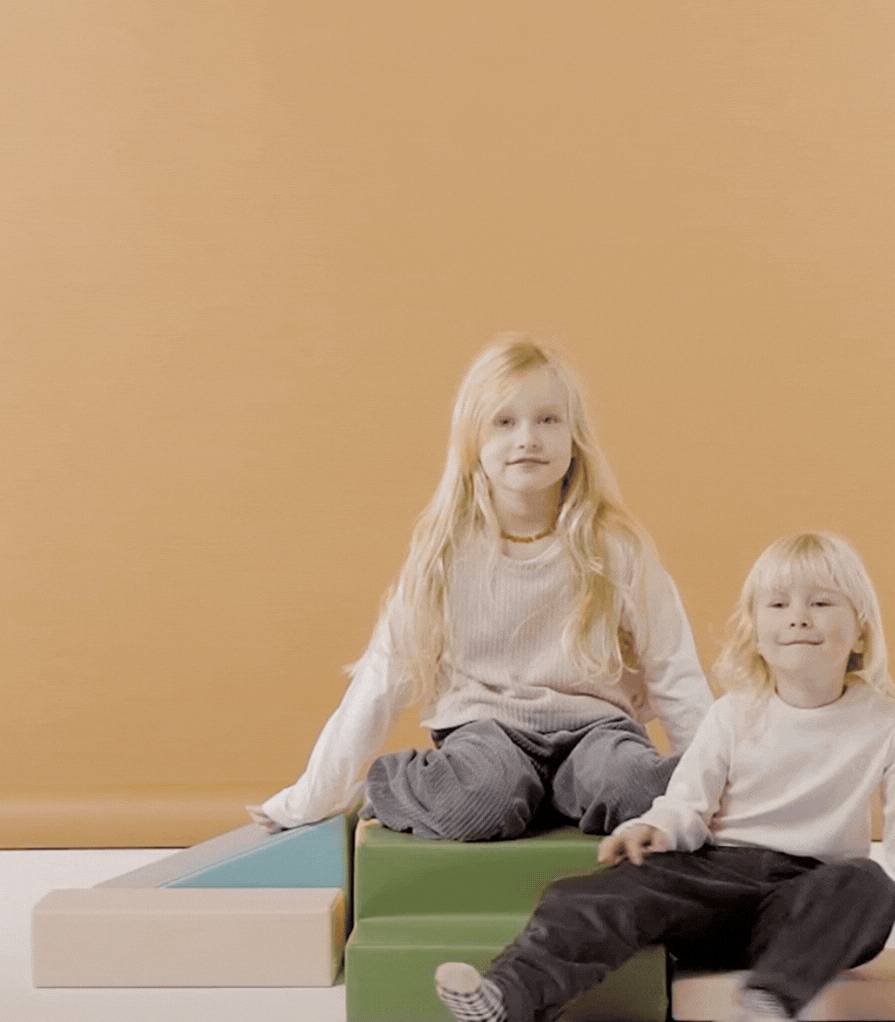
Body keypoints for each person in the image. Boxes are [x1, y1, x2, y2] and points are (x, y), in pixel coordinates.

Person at [434, 531, 895, 1022]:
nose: (798, 618)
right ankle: (506, 1004)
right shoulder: (733, 713)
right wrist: (655, 828)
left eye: (821, 602)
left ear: (860, 630)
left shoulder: (886, 724)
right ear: (756, 634)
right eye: (777, 606)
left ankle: (768, 1004)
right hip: (713, 879)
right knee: (593, 895)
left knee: (871, 885)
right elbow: (687, 802)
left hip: (806, 898)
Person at [248, 335, 714, 841]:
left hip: (596, 731)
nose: (528, 438)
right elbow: (382, 678)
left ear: (575, 437)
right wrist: (313, 795)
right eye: (504, 422)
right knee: (481, 800)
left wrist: (710, 794)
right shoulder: (445, 555)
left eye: (548, 420)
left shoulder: (616, 547)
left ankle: (557, 795)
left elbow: (674, 669)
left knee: (637, 786)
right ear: (473, 443)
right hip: (487, 735)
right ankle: (403, 786)